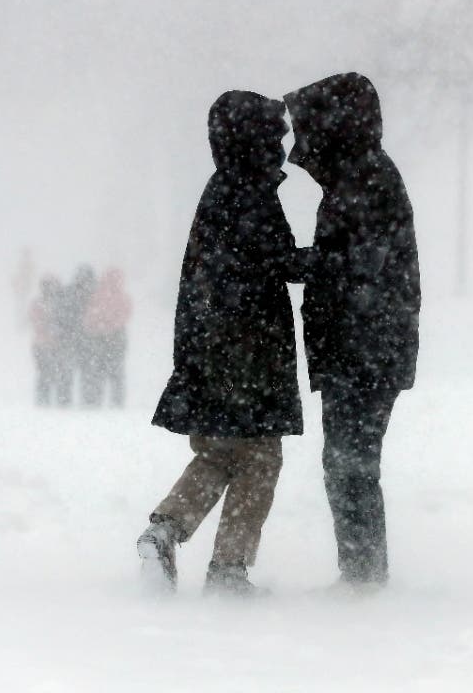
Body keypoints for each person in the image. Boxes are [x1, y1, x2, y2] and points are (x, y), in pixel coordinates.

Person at [137, 91, 305, 597]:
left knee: (218, 453)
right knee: (260, 456)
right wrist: (333, 259)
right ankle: (230, 570)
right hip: (249, 349)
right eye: (273, 135)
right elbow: (278, 262)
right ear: (254, 140)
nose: (281, 144)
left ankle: (164, 531)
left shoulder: (221, 187)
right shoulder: (249, 191)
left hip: (209, 344)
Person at [283, 72, 421, 591]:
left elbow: (360, 263)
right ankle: (362, 572)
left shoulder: (366, 179)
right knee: (348, 461)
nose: (301, 150)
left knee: (350, 462)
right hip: (363, 346)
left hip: (366, 348)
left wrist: (297, 263)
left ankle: (363, 578)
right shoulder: (359, 177)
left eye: (309, 132)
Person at [81, 267, 133, 407]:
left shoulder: (98, 295)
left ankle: (98, 398)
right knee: (114, 370)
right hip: (114, 337)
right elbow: (125, 315)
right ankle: (115, 399)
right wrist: (110, 324)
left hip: (102, 337)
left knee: (100, 368)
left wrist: (99, 324)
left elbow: (90, 316)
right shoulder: (121, 296)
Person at [55, 264, 96, 406]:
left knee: (86, 373)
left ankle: (88, 402)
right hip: (73, 339)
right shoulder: (69, 293)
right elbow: (59, 315)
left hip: (83, 339)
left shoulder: (95, 294)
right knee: (70, 373)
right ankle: (66, 402)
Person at [29, 274, 62, 406]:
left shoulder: (39, 304)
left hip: (43, 344)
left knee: (46, 373)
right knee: (47, 373)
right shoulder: (51, 304)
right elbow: (37, 322)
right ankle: (45, 400)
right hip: (47, 344)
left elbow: (36, 321)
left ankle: (45, 399)